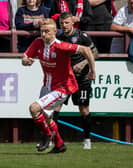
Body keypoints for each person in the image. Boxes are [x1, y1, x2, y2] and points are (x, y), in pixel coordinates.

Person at [22, 18, 96, 153]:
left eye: (47, 32)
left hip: (62, 88)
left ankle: (47, 136)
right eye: (42, 31)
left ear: (55, 32)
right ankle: (59, 144)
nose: (44, 35)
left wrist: (92, 71)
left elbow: (86, 50)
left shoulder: (61, 46)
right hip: (47, 87)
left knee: (34, 109)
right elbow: (25, 57)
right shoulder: (38, 42)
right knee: (47, 118)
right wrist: (26, 61)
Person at [53, 12, 98, 150]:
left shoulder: (82, 36)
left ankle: (87, 140)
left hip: (81, 77)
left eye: (66, 22)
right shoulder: (58, 37)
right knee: (56, 107)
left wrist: (84, 64)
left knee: (83, 109)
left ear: (72, 22)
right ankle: (53, 139)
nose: (64, 26)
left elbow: (95, 52)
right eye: (62, 23)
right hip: (65, 78)